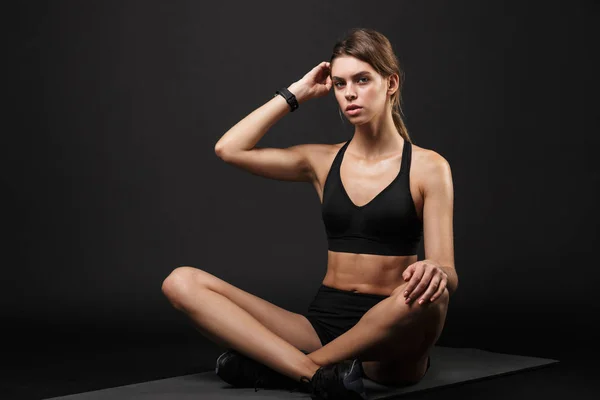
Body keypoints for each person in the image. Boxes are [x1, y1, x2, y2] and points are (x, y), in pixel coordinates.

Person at [161, 27, 457, 400]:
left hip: (391, 332)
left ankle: (286, 368)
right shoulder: (320, 160)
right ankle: (310, 372)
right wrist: (295, 93)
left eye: (362, 80)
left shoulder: (429, 167)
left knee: (436, 295)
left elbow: (448, 272)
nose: (349, 92)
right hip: (322, 323)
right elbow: (228, 148)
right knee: (181, 282)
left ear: (391, 82)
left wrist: (436, 270)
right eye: (339, 83)